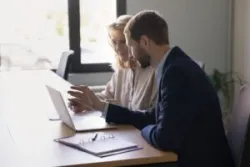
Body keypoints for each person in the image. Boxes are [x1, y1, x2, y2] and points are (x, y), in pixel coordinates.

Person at [68, 10, 235, 167]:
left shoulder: (176, 73)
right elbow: (152, 116)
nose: (131, 54)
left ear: (145, 42)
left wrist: (143, 131)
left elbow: (164, 139)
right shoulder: (172, 65)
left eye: (130, 46)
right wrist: (102, 107)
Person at [94, 14, 157, 111]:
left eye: (123, 42)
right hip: (123, 126)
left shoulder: (153, 72)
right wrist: (86, 101)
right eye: (114, 42)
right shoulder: (121, 70)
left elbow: (150, 115)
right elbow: (107, 96)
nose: (117, 48)